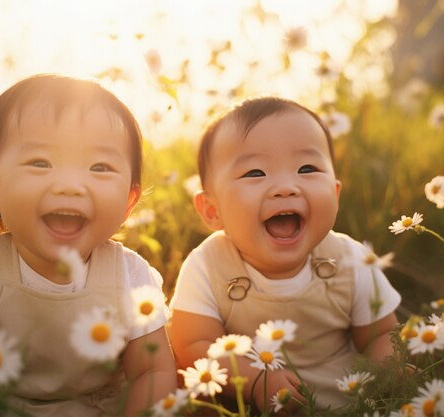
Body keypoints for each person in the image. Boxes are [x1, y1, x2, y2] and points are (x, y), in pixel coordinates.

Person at [0, 74, 177, 416]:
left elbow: (152, 371)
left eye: (100, 166)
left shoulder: (130, 277)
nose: (70, 185)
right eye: (40, 163)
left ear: (129, 202)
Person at [169, 96, 401, 412]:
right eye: (255, 173)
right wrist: (255, 380)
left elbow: (380, 333)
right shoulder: (207, 266)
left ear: (334, 193)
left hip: (350, 401)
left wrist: (390, 371)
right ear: (212, 210)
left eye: (307, 168)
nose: (285, 187)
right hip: (252, 404)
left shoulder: (349, 259)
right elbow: (192, 347)